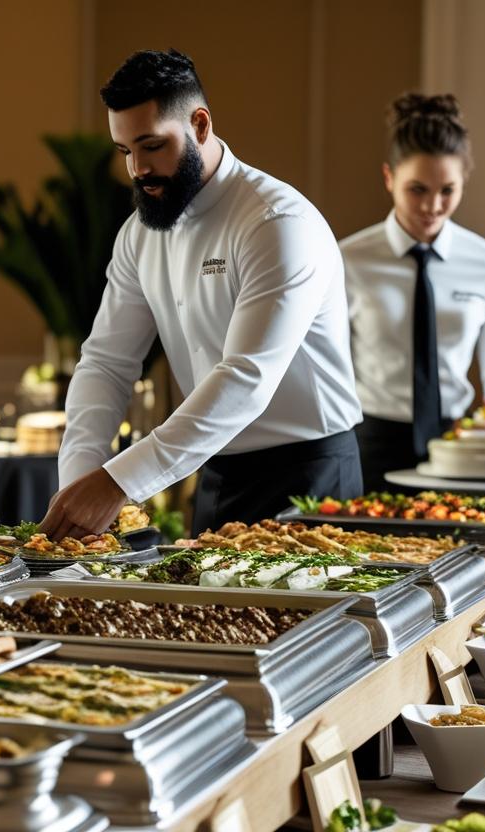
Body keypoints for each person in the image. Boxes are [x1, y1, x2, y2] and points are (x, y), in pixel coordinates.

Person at [45, 48, 362, 538]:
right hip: (214, 474)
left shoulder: (277, 224)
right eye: (126, 152)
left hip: (310, 480)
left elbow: (246, 377)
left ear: (199, 125)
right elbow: (107, 361)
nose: (137, 170)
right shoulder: (138, 234)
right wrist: (81, 479)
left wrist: (116, 483)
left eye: (152, 146)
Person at [342, 92, 485, 492]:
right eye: (417, 189)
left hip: (460, 450)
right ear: (389, 178)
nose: (433, 205)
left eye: (448, 190)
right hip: (369, 446)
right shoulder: (347, 260)